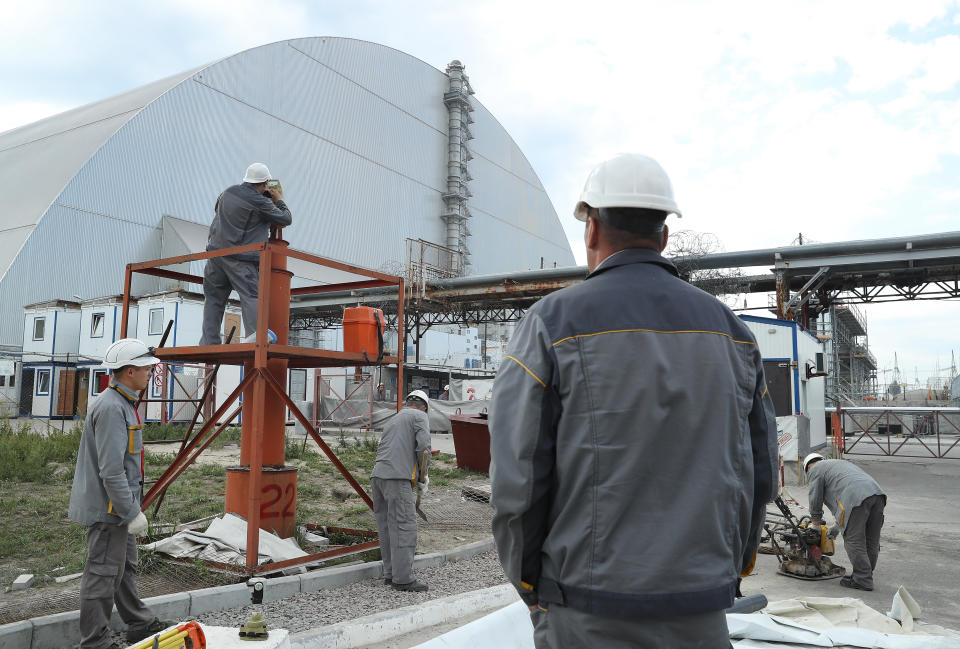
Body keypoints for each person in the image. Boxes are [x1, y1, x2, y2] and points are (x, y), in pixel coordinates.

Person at [489, 153, 778, 649]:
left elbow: (517, 482)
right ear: (664, 236)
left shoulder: (550, 324)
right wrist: (728, 571)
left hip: (586, 610)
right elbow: (760, 472)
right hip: (700, 607)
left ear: (591, 228)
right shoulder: (734, 333)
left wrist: (533, 586)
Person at [68, 338, 169, 648]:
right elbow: (111, 471)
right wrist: (130, 512)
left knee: (123, 569)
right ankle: (95, 641)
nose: (150, 374)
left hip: (118, 508)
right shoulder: (112, 408)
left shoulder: (120, 403)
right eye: (145, 369)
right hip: (110, 510)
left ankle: (139, 623)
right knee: (102, 573)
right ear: (128, 371)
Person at [199, 162, 292, 346]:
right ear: (265, 184)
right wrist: (279, 200)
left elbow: (221, 211)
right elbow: (285, 218)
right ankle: (256, 336)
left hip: (215, 255)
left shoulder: (227, 193)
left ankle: (209, 341)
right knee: (250, 295)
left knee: (214, 298)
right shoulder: (259, 202)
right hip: (240, 257)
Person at [371, 389, 432, 592]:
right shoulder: (420, 416)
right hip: (397, 479)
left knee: (387, 527)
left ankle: (391, 574)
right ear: (424, 407)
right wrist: (423, 477)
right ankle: (403, 578)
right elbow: (423, 448)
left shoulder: (394, 418)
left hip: (378, 476)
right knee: (404, 526)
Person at [803, 453, 886, 591]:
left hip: (856, 497)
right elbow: (844, 489)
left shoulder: (815, 470)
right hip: (877, 494)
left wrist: (815, 523)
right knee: (871, 540)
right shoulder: (837, 464)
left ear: (808, 467)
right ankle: (864, 574)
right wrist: (837, 525)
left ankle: (863, 579)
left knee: (854, 540)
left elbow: (815, 498)